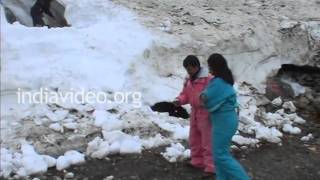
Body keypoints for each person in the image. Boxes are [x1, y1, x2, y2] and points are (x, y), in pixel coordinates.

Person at [201, 53, 250, 180]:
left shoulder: (218, 82)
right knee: (220, 154)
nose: (209, 68)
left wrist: (201, 96)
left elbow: (206, 97)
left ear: (215, 66)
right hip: (225, 121)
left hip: (223, 122)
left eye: (210, 65)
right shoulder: (223, 80)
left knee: (221, 155)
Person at [173, 55, 215, 174]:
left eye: (190, 68)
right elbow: (185, 94)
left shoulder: (208, 79)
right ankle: (197, 161)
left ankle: (211, 166)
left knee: (208, 140)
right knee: (194, 138)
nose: (188, 71)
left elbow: (215, 94)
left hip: (206, 112)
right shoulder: (188, 79)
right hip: (195, 112)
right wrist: (179, 100)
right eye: (186, 69)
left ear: (196, 66)